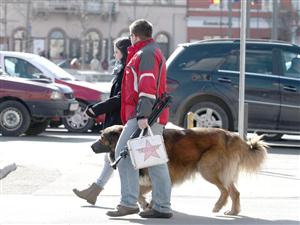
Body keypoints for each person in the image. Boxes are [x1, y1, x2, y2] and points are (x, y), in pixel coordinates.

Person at [106, 19, 172, 219]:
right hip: (151, 114)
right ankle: (162, 206)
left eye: (130, 36)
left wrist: (143, 114)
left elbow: (147, 84)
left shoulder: (146, 54)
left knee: (123, 154)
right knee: (154, 161)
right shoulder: (151, 51)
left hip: (145, 115)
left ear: (134, 36)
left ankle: (129, 202)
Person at [72, 37, 132, 205]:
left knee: (119, 161)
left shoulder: (126, 71)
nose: (115, 55)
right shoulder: (121, 69)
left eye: (117, 52)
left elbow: (119, 98)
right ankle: (94, 191)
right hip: (116, 119)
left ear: (124, 52)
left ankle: (130, 199)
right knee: (110, 158)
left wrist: (96, 109)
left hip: (121, 121)